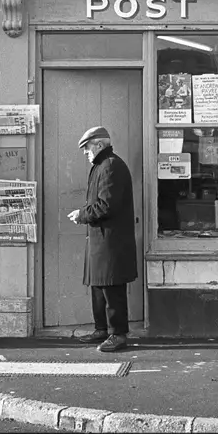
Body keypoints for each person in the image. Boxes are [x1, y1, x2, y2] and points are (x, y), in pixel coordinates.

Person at [67, 126, 137, 353]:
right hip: (102, 239)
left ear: (99, 145)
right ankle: (102, 330)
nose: (86, 153)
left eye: (87, 148)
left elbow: (106, 206)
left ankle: (118, 334)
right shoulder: (103, 165)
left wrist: (81, 215)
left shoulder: (110, 167)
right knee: (99, 286)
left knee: (112, 288)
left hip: (111, 241)